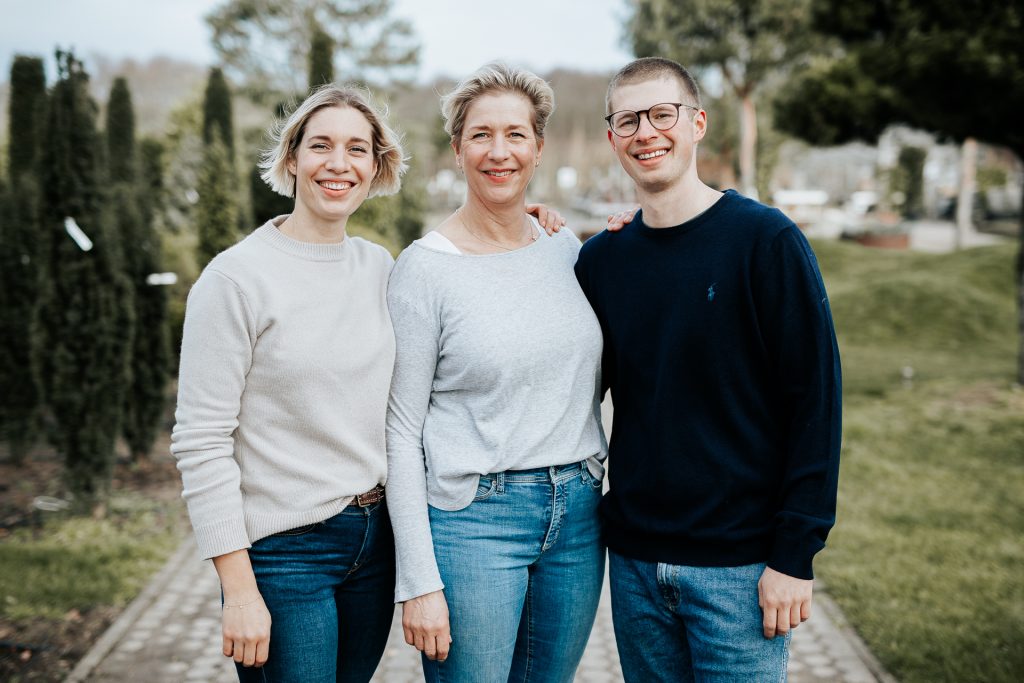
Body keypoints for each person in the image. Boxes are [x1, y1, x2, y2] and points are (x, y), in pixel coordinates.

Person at [170, 83, 567, 683]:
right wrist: (238, 589)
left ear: (377, 165)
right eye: (321, 146)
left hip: (372, 544)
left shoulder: (379, 266)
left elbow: (465, 283)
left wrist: (527, 222)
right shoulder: (235, 280)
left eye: (358, 149)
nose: (338, 163)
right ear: (292, 158)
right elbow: (200, 442)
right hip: (286, 554)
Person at [574, 57, 842, 681]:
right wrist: (536, 232)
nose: (647, 132)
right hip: (636, 566)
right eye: (628, 120)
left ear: (696, 123)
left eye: (662, 114)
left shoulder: (765, 241)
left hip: (742, 572)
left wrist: (794, 556)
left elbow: (815, 405)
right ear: (612, 138)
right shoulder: (601, 261)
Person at [385, 63, 607, 683]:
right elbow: (401, 431)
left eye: (516, 134)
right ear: (457, 150)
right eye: (481, 135)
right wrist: (418, 580)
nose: (498, 151)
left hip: (579, 517)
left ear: (538, 148)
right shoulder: (424, 272)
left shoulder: (565, 248)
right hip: (475, 522)